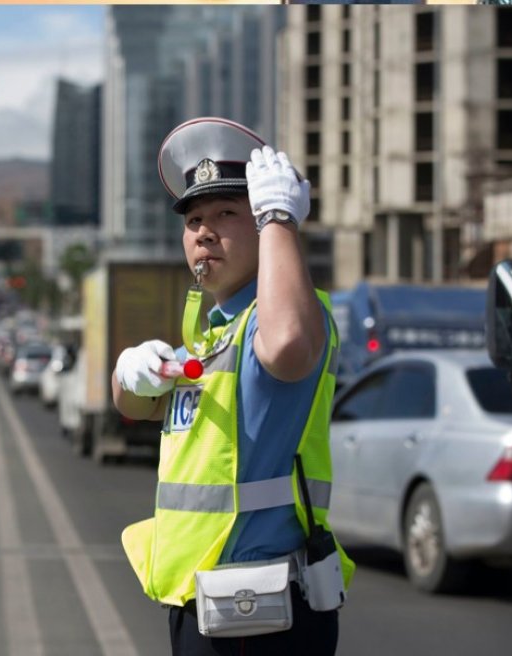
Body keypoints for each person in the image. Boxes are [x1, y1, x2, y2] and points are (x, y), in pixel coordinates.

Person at [112, 117, 354, 655]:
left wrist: (280, 222)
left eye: (227, 213)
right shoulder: (212, 336)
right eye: (194, 218)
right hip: (202, 604)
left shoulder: (284, 322)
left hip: (261, 614)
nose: (204, 230)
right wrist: (128, 372)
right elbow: (135, 404)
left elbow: (289, 345)